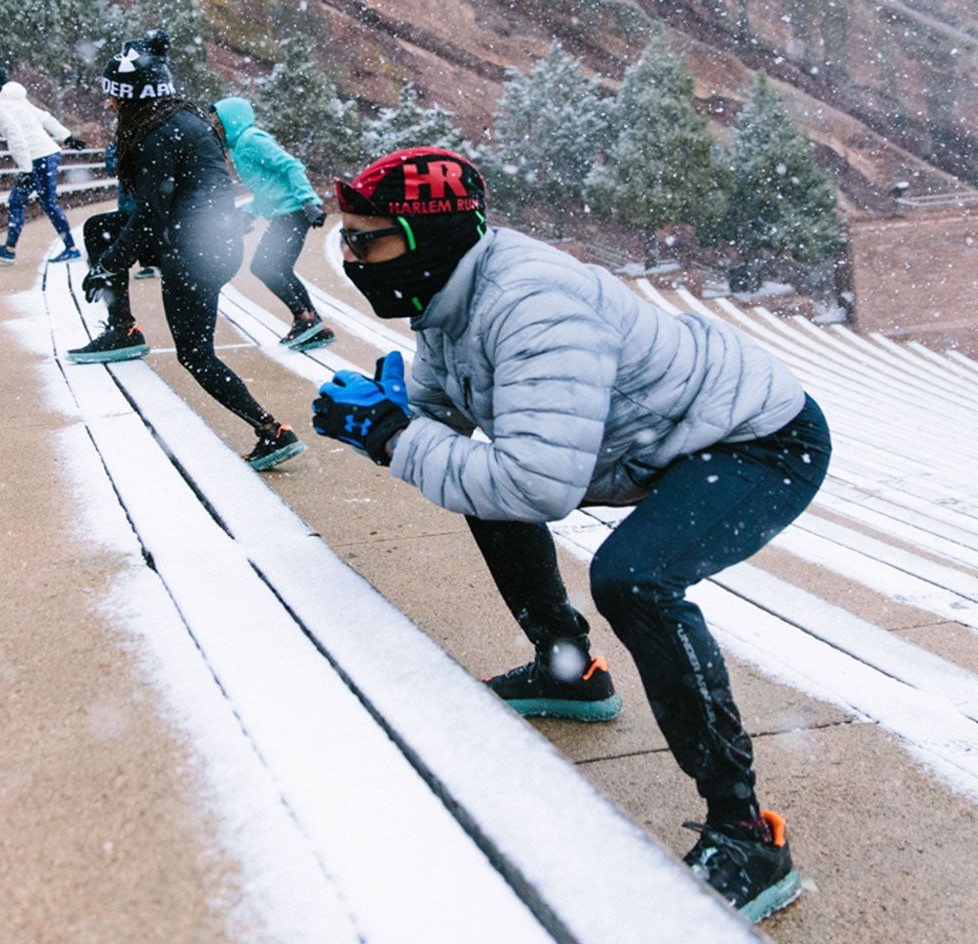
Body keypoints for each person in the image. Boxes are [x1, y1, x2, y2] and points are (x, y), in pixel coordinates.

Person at [311, 147, 830, 923]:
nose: (352, 258)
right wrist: (403, 416)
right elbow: (447, 422)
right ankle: (566, 669)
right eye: (347, 239)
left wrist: (392, 436)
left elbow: (536, 486)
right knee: (478, 480)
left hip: (758, 439)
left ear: (430, 240)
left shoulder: (532, 305)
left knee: (635, 578)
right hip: (660, 439)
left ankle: (747, 834)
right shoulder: (452, 296)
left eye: (370, 239)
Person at [70, 31, 304, 473]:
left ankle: (272, 430)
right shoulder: (183, 117)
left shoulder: (153, 135)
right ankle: (123, 328)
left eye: (113, 97)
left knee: (196, 355)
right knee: (100, 228)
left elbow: (149, 218)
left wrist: (107, 267)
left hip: (194, 251)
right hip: (205, 240)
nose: (109, 105)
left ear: (129, 97)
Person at [210, 97, 334, 351]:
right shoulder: (238, 147)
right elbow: (268, 188)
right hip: (285, 212)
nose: (215, 126)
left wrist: (309, 201)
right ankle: (314, 323)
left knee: (265, 266)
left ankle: (305, 319)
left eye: (218, 120)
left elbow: (291, 166)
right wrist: (249, 213)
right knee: (280, 267)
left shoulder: (251, 140)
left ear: (230, 119)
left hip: (294, 212)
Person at [0, 65, 87, 265]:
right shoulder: (12, 100)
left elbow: (16, 138)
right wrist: (66, 137)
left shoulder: (3, 106)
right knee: (16, 200)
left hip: (41, 157)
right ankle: (9, 249)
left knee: (48, 203)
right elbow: (44, 117)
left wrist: (26, 169)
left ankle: (71, 249)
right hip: (41, 156)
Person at [104, 141, 157, 280]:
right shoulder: (140, 141)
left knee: (138, 225)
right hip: (136, 192)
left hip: (132, 194)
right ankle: (150, 264)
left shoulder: (118, 144)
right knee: (144, 225)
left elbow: (111, 169)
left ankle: (146, 265)